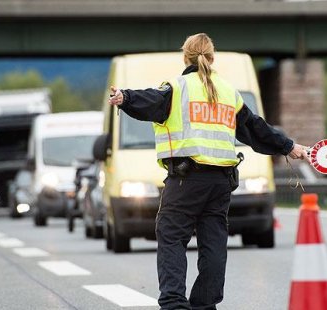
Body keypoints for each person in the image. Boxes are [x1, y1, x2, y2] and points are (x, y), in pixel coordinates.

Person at [108, 33, 308, 310]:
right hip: (220, 183)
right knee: (214, 243)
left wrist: (124, 97)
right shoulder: (229, 92)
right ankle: (204, 305)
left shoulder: (178, 88)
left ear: (185, 56)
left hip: (186, 180)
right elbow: (256, 129)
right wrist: (289, 146)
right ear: (212, 58)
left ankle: (175, 304)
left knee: (171, 236)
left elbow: (151, 100)